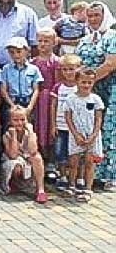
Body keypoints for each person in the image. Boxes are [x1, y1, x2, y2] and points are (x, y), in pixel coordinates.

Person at [73, 1, 116, 189]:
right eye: (89, 16)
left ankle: (110, 175)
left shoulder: (112, 37)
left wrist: (88, 81)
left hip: (109, 90)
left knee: (109, 131)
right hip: (88, 92)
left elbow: (110, 64)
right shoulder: (85, 39)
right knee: (90, 130)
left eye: (96, 16)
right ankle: (92, 173)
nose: (92, 19)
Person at [63, 68, 105, 202]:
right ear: (77, 81)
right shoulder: (71, 99)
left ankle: (88, 188)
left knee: (89, 162)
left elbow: (98, 118)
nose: (86, 85)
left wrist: (93, 135)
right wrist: (75, 134)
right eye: (83, 82)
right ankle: (72, 185)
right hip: (76, 135)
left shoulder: (96, 99)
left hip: (92, 135)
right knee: (73, 161)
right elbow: (68, 117)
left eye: (89, 82)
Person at [0, 106, 47, 203]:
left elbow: (33, 150)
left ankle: (40, 190)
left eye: (22, 120)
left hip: (26, 159)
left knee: (37, 158)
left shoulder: (30, 133)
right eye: (16, 120)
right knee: (16, 165)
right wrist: (14, 136)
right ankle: (14, 184)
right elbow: (12, 155)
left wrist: (30, 131)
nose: (19, 123)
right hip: (13, 160)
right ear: (10, 121)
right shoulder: (7, 135)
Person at [49, 54, 81, 191]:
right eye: (65, 69)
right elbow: (53, 106)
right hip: (61, 126)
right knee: (60, 152)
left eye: (71, 69)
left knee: (77, 153)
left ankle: (78, 177)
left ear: (78, 69)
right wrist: (53, 124)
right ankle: (62, 177)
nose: (68, 72)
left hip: (77, 128)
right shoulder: (58, 87)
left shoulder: (80, 86)